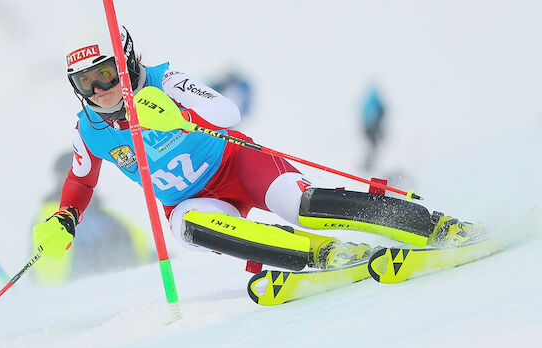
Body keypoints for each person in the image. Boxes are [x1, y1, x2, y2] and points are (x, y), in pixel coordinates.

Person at [32, 23, 481, 272]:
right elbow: (80, 179)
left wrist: (177, 115)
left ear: (126, 62)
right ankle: (319, 255)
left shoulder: (165, 80)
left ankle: (431, 225)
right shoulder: (89, 129)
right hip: (193, 199)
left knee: (302, 205)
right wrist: (66, 217)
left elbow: (228, 114)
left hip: (239, 163)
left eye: (106, 75)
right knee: (189, 229)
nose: (100, 91)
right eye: (86, 84)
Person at [32, 151, 152, 284]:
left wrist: (153, 257)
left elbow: (133, 241)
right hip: (70, 289)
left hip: (112, 284)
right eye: (68, 176)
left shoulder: (106, 216)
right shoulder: (51, 214)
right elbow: (41, 255)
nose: (74, 181)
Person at [361, 85, 386, 172]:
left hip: (367, 128)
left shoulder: (368, 102)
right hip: (373, 127)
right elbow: (382, 113)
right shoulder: (376, 102)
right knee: (373, 146)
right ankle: (368, 165)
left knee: (372, 146)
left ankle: (367, 164)